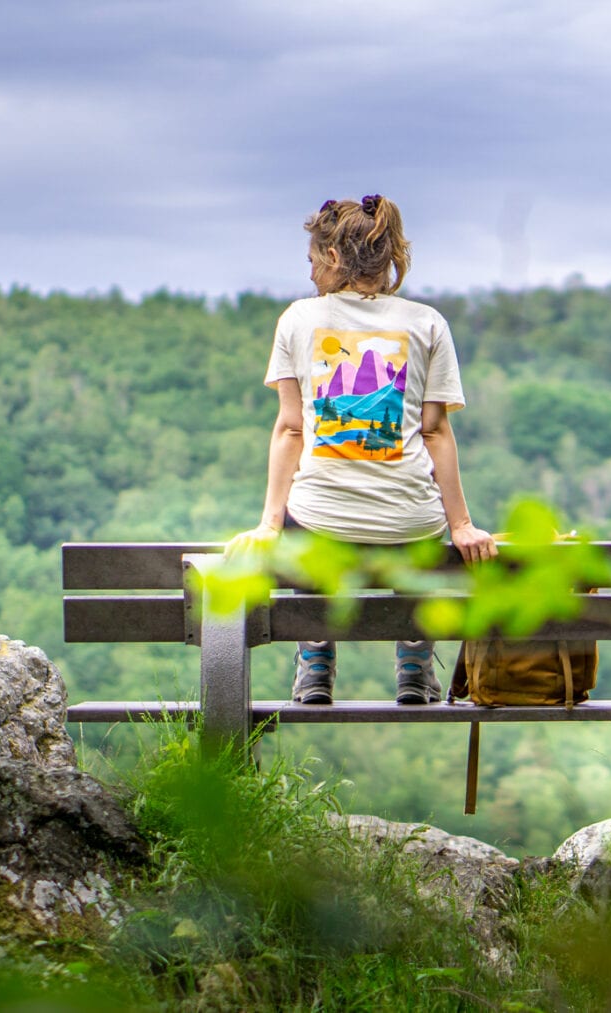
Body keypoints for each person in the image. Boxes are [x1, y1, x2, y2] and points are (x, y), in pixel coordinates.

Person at [226, 193, 496, 705]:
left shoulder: (298, 320)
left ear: (331, 259)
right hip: (408, 525)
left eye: (311, 262)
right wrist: (460, 525)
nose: (309, 276)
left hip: (324, 523)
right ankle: (415, 664)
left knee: (307, 526)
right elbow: (436, 432)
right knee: (420, 523)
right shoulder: (428, 322)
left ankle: (315, 664)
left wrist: (269, 524)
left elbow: (290, 430)